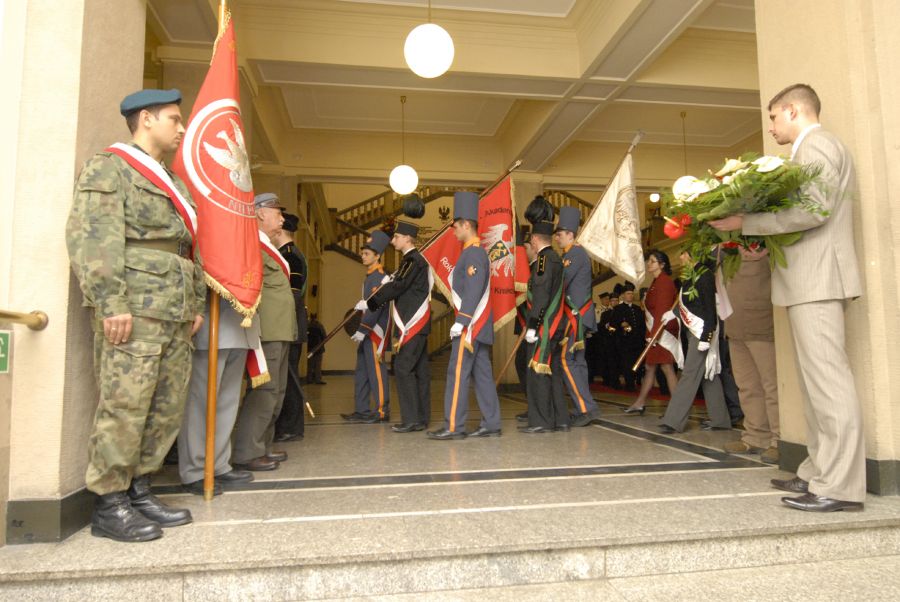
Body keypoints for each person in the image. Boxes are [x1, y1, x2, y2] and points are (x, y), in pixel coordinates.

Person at [711, 83, 865, 512]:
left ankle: (841, 486)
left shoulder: (816, 146)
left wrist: (750, 221)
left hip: (818, 280)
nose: (772, 126)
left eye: (774, 117)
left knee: (829, 385)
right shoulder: (812, 148)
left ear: (794, 111)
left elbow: (815, 211)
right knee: (817, 387)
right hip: (810, 279)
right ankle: (819, 472)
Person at [65, 88, 204, 542]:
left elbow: (186, 250)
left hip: (173, 310)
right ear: (145, 119)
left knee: (164, 407)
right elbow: (93, 238)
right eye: (174, 119)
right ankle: (109, 502)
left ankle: (139, 489)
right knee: (125, 406)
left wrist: (194, 306)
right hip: (134, 309)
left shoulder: (176, 184)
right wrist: (111, 303)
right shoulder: (110, 167)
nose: (181, 128)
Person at [428, 192, 503, 440]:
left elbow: (473, 290)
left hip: (470, 325)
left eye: (456, 226)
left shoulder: (473, 254)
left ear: (467, 224)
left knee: (457, 373)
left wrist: (462, 320)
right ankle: (492, 423)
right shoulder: (471, 253)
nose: (454, 231)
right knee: (481, 375)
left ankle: (453, 426)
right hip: (476, 326)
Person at [232, 193, 297, 472]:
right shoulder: (252, 245)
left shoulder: (267, 246)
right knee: (265, 391)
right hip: (267, 330)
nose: (281, 218)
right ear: (260, 213)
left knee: (277, 392)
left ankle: (263, 445)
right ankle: (247, 451)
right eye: (277, 212)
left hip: (280, 329)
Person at [178, 294, 258, 496]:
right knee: (200, 403)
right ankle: (195, 470)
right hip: (211, 320)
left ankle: (219, 464)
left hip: (241, 324)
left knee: (228, 402)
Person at [366, 220, 432, 432]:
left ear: (406, 239)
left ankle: (411, 420)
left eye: (396, 237)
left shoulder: (412, 260)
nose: (393, 240)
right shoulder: (411, 260)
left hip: (412, 323)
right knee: (419, 370)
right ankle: (421, 418)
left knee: (403, 368)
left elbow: (399, 285)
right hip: (416, 324)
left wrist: (373, 301)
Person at [659, 251, 731, 433]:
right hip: (694, 331)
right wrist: (674, 314)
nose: (680, 258)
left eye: (683, 254)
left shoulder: (704, 275)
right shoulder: (690, 275)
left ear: (693, 255)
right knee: (709, 376)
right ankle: (720, 419)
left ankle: (673, 421)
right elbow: (692, 304)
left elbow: (709, 308)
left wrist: (706, 337)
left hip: (702, 332)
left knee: (689, 374)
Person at [722, 246, 780, 464]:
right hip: (735, 320)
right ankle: (755, 435)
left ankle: (779, 439)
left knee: (771, 384)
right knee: (747, 384)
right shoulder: (726, 241)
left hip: (761, 317)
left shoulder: (763, 230)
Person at [520, 196, 568, 433]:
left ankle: (541, 422)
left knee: (537, 371)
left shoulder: (541, 261)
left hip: (545, 326)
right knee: (553, 373)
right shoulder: (556, 258)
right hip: (557, 325)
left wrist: (532, 326)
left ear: (536, 239)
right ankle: (561, 419)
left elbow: (540, 296)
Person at [553, 207, 602, 426]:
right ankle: (587, 406)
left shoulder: (574, 254)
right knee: (578, 362)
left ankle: (584, 408)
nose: (557, 237)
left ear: (571, 234)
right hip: (581, 315)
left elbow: (560, 283)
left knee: (566, 360)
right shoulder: (574, 253)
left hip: (576, 315)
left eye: (560, 234)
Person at [343, 230, 392, 424]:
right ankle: (362, 409)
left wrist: (363, 329)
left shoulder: (380, 277)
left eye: (366, 254)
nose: (362, 256)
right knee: (362, 371)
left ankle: (382, 410)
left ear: (377, 256)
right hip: (367, 330)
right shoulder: (370, 276)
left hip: (374, 332)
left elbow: (376, 307)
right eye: (362, 253)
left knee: (376, 371)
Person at [625, 250, 680, 414]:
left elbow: (662, 311)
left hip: (661, 333)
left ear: (662, 265)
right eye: (649, 261)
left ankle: (678, 407)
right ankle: (640, 402)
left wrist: (654, 335)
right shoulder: (656, 282)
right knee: (651, 367)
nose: (649, 263)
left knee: (666, 367)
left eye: (653, 261)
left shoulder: (664, 282)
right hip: (655, 332)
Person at [272, 213, 308, 442]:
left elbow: (292, 296)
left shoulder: (291, 256)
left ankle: (292, 427)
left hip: (289, 323)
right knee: (286, 376)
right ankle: (285, 425)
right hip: (288, 323)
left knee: (291, 378)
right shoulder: (287, 254)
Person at [611, 282, 645, 390]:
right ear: (623, 295)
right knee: (627, 363)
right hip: (624, 341)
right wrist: (621, 324)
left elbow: (641, 324)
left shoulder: (637, 308)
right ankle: (629, 384)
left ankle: (636, 380)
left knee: (637, 362)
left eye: (632, 293)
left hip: (637, 341)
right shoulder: (618, 309)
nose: (631, 295)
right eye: (628, 293)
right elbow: (613, 324)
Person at [599, 289, 621, 388]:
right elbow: (602, 327)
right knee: (610, 362)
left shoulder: (623, 311)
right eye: (612, 301)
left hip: (620, 341)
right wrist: (608, 327)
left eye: (616, 300)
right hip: (609, 341)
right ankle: (612, 381)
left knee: (619, 362)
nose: (614, 302)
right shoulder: (605, 314)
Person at [306, 315, 326, 384]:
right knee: (318, 365)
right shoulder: (319, 325)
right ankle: (318, 379)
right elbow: (324, 336)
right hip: (319, 348)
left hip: (309, 348)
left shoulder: (308, 325)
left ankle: (309, 379)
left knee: (310, 364)